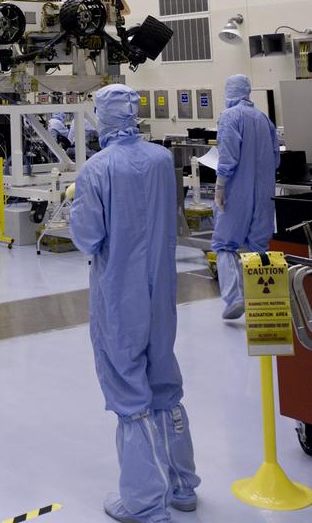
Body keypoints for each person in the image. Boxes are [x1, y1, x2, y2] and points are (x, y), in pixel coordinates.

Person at [70, 84, 199, 523]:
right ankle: (183, 485)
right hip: (161, 291)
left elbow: (87, 237)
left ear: (103, 117)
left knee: (129, 391)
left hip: (120, 294)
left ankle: (145, 502)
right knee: (164, 381)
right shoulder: (162, 160)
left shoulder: (97, 169)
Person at [212, 73, 281, 320]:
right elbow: (276, 157)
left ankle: (234, 298)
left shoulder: (230, 117)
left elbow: (228, 156)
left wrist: (220, 186)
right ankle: (263, 303)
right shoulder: (264, 119)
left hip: (236, 192)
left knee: (225, 244)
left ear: (229, 92)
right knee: (258, 246)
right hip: (263, 193)